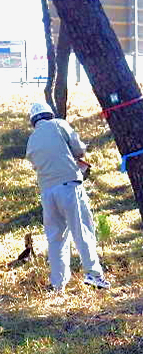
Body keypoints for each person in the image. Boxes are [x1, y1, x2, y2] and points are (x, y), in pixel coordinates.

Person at [25, 101, 110, 293]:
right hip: (69, 186)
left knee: (55, 238)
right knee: (82, 231)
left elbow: (36, 163)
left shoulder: (32, 139)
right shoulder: (59, 124)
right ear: (49, 114)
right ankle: (94, 275)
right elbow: (78, 149)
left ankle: (58, 284)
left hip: (47, 193)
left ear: (33, 121)